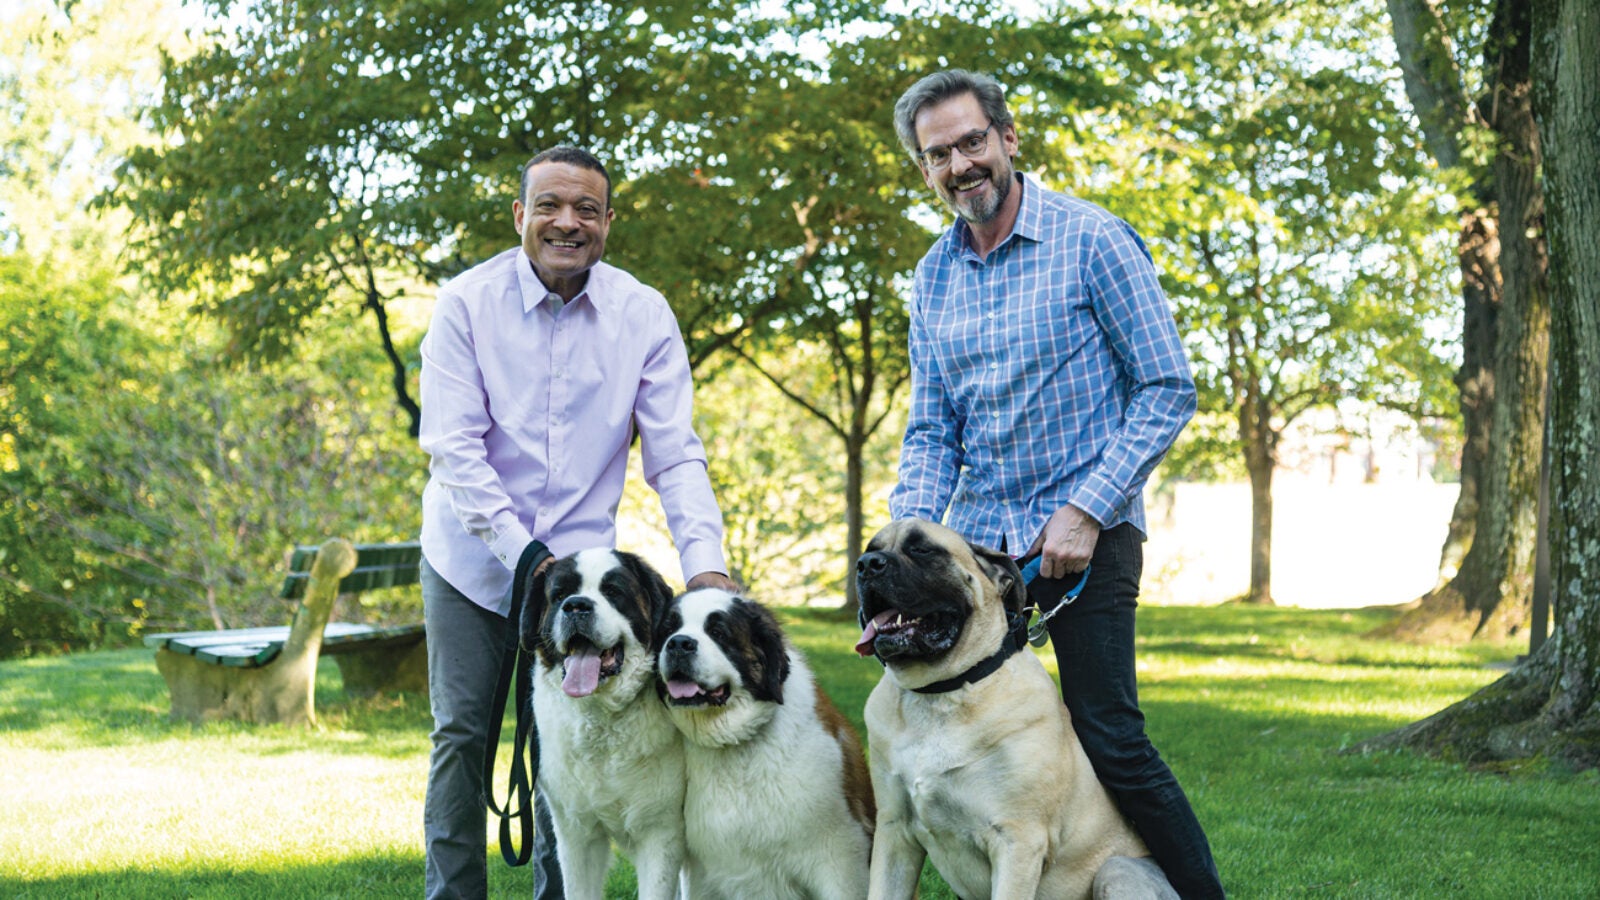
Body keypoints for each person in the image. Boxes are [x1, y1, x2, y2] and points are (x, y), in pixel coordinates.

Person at [886, 70, 1225, 898]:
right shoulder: (931, 279)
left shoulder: (1094, 239)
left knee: (1108, 734)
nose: (960, 164)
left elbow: (1166, 387)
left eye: (971, 142)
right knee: (945, 740)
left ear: (1007, 137)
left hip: (1089, 537)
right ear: (924, 171)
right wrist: (904, 542)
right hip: (978, 551)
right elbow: (933, 427)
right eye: (938, 155)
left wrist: (1085, 510)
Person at [417, 144, 737, 900]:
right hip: (470, 558)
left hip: (580, 579)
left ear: (607, 222)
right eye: (551, 206)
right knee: (462, 738)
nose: (568, 222)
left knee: (574, 738)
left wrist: (707, 567)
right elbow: (454, 451)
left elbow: (675, 456)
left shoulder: (642, 314)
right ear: (520, 214)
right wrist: (525, 556)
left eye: (587, 210)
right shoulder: (465, 302)